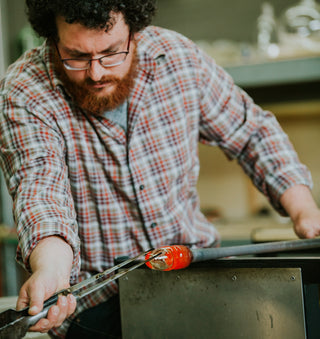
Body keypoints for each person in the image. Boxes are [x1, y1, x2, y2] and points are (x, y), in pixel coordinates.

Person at [1, 0, 320, 337]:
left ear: (135, 32)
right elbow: (40, 186)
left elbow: (252, 132)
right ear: (52, 37)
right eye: (76, 56)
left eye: (110, 53)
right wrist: (52, 269)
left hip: (199, 276)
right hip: (96, 304)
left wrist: (303, 209)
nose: (96, 73)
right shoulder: (26, 88)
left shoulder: (177, 58)